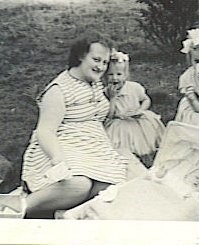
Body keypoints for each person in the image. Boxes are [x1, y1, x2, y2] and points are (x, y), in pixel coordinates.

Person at [21, 38, 130, 218]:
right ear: (80, 56)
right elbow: (45, 131)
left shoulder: (94, 83)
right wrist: (58, 159)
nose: (101, 67)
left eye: (104, 62)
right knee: (78, 186)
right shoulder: (59, 89)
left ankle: (64, 213)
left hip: (93, 147)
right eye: (96, 60)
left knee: (108, 187)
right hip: (62, 145)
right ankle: (18, 208)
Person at [104, 49, 165, 163]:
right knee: (120, 145)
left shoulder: (134, 87)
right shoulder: (107, 92)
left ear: (126, 75)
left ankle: (144, 156)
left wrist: (141, 110)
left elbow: (146, 99)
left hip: (137, 120)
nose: (114, 78)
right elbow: (110, 115)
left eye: (119, 74)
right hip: (119, 122)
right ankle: (129, 157)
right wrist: (112, 98)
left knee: (142, 140)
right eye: (110, 75)